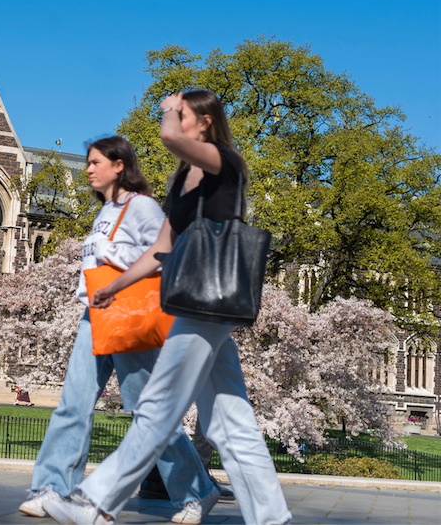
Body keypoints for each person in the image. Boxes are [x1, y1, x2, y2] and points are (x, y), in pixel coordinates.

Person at [44, 92, 291, 525]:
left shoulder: (224, 161)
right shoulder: (181, 181)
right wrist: (114, 286)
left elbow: (169, 138)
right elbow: (160, 250)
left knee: (157, 404)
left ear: (205, 122)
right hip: (195, 302)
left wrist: (166, 110)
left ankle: (95, 504)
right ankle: (273, 519)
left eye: (183, 115)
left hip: (208, 304)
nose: (174, 122)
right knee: (231, 422)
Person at [22, 135, 215, 524]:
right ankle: (51, 487)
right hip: (93, 317)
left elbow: (168, 252)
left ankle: (197, 491)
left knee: (150, 412)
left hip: (129, 318)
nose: (89, 169)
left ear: (119, 166)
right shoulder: (105, 211)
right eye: (88, 162)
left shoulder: (140, 206)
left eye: (96, 162)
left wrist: (119, 268)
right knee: (73, 405)